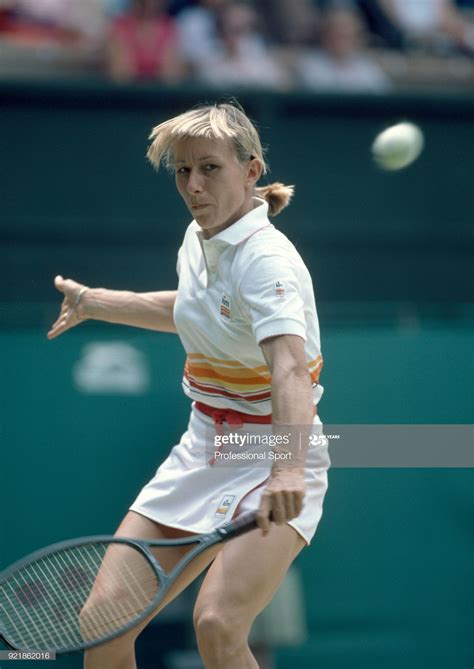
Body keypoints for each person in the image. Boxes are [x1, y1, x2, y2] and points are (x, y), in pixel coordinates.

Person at [47, 101, 330, 669]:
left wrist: (288, 468)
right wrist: (98, 302)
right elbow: (197, 311)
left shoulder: (266, 261)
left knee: (218, 625)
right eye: (182, 171)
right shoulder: (198, 237)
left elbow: (290, 369)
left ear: (250, 171)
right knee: (103, 623)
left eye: (209, 168)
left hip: (270, 449)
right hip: (204, 446)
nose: (193, 185)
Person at [296, 6, 392, 92]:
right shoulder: (310, 66)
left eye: (347, 36)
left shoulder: (368, 69)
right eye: (337, 35)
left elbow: (383, 99)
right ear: (325, 36)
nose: (342, 42)